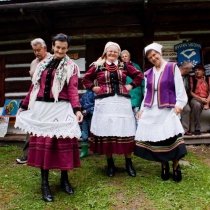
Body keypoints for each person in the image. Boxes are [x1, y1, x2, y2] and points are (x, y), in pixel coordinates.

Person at [14, 33, 83, 202]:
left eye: (64, 48)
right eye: (58, 47)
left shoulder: (71, 66)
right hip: (42, 109)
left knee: (62, 144)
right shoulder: (42, 64)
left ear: (67, 49)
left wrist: (77, 109)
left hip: (61, 108)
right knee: (44, 146)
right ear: (52, 46)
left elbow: (73, 90)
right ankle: (44, 184)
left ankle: (64, 179)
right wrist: (23, 106)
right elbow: (33, 87)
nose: (60, 50)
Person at [82, 41, 144, 177]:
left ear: (118, 54)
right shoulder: (97, 66)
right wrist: (94, 88)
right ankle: (110, 163)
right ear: (105, 52)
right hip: (104, 103)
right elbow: (86, 78)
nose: (113, 53)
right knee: (107, 130)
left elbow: (139, 76)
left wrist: (131, 86)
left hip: (122, 103)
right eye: (110, 51)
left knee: (125, 130)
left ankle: (129, 162)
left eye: (115, 51)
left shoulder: (125, 65)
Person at [134, 43, 188, 182]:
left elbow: (179, 88)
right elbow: (147, 93)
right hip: (153, 108)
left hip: (169, 108)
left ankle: (176, 165)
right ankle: (164, 165)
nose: (153, 58)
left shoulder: (172, 67)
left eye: (154, 55)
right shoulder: (148, 73)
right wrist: (142, 109)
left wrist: (180, 104)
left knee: (171, 137)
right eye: (150, 57)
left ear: (159, 53)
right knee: (158, 139)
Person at [16, 38, 51, 164]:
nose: (36, 53)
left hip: (49, 100)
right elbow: (33, 84)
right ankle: (26, 154)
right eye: (34, 51)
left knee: (48, 126)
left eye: (38, 50)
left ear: (45, 48)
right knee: (31, 124)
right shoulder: (33, 63)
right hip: (34, 98)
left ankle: (47, 155)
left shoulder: (52, 60)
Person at [120, 50, 145, 128]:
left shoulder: (135, 66)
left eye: (126, 56)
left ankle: (137, 133)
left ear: (129, 57)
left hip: (136, 93)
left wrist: (144, 91)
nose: (124, 58)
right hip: (125, 93)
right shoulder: (120, 67)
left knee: (137, 114)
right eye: (122, 57)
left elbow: (141, 79)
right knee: (127, 115)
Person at [190, 64, 210, 135]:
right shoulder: (192, 79)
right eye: (195, 70)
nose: (197, 71)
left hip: (207, 98)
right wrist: (201, 99)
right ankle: (197, 129)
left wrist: (207, 102)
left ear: (203, 72)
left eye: (199, 70)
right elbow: (191, 92)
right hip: (196, 98)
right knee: (196, 105)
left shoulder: (208, 79)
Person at [79, 85, 96, 158]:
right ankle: (84, 151)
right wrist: (81, 110)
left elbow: (96, 106)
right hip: (85, 116)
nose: (84, 85)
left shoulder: (94, 94)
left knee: (94, 132)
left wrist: (88, 111)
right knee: (84, 132)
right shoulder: (84, 95)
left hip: (92, 116)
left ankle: (96, 149)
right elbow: (81, 104)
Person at [179, 61, 194, 136]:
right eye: (190, 69)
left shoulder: (187, 76)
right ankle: (177, 131)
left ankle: (185, 130)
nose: (190, 70)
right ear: (186, 68)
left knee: (187, 109)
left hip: (184, 97)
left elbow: (187, 87)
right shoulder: (174, 73)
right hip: (174, 97)